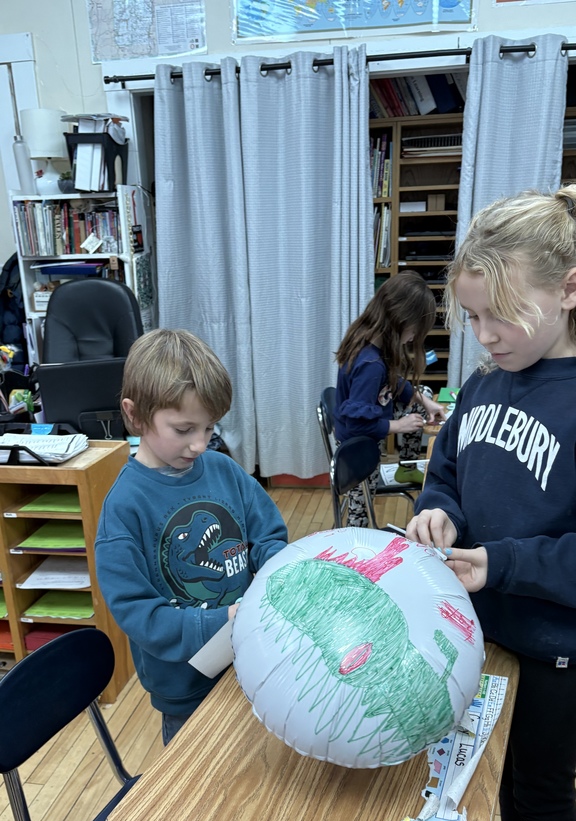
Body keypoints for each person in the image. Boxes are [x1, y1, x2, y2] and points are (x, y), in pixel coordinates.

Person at [406, 186, 576, 821]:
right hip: (487, 639)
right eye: (471, 319)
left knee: (548, 802)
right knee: (501, 783)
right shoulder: (481, 384)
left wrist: (501, 561)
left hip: (556, 649)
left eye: (501, 317)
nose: (485, 337)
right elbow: (449, 475)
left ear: (569, 290)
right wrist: (438, 507)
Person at [95, 328, 288, 745]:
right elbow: (140, 615)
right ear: (135, 415)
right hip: (185, 694)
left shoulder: (225, 471)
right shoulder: (124, 508)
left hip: (254, 666)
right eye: (183, 429)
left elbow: (268, 536)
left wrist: (282, 574)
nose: (200, 444)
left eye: (209, 427)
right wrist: (220, 622)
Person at [333, 271, 446, 528]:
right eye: (415, 331)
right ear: (400, 319)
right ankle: (355, 553)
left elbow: (391, 385)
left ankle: (406, 465)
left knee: (423, 394)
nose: (414, 338)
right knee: (359, 512)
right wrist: (399, 426)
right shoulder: (370, 365)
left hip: (364, 432)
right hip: (357, 447)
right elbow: (356, 426)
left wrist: (422, 400)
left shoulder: (373, 343)